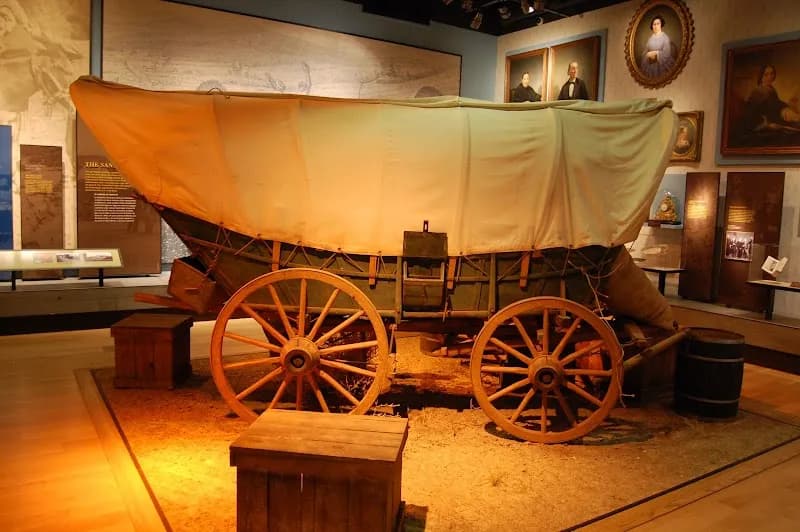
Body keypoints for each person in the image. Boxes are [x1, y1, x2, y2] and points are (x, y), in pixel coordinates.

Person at [739, 64, 800, 136]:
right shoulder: (758, 92)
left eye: (772, 73)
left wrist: (786, 110)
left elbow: (776, 105)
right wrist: (767, 125)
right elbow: (750, 115)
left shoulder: (771, 89)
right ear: (761, 76)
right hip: (761, 127)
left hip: (776, 121)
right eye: (766, 74)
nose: (770, 77)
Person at [639, 15, 675, 79]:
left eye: (658, 24)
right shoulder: (650, 39)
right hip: (650, 64)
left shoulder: (665, 37)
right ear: (652, 26)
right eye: (654, 24)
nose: (656, 26)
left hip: (662, 63)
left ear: (661, 25)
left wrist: (656, 53)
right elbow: (645, 52)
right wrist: (647, 54)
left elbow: (667, 53)